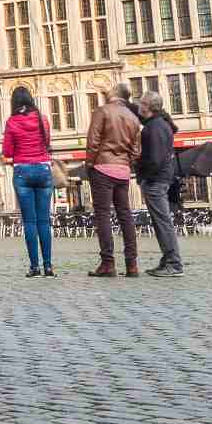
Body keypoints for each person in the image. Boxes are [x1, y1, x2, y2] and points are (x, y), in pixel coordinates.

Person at [82, 84, 141, 278]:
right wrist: (126, 162)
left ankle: (108, 263)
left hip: (102, 166)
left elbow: (93, 141)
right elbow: (136, 149)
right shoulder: (133, 117)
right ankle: (131, 263)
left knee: (103, 215)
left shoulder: (103, 111)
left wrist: (90, 164)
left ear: (116, 94)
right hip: (122, 169)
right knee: (125, 215)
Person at [1, 87, 58, 277]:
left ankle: (34, 266)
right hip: (43, 169)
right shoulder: (42, 120)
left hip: (22, 171)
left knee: (30, 222)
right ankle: (48, 265)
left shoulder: (12, 122)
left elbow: (8, 151)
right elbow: (47, 141)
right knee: (44, 220)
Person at [133, 91, 184, 278]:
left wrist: (142, 174)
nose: (139, 105)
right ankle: (168, 259)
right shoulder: (160, 124)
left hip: (155, 180)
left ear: (147, 106)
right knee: (161, 221)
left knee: (163, 223)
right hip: (160, 179)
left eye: (141, 102)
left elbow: (154, 159)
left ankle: (173, 262)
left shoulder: (153, 128)